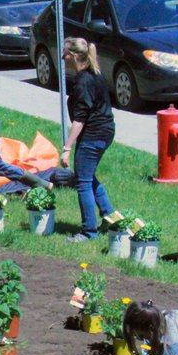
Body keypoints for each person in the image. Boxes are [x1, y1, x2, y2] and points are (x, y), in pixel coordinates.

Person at [60, 37, 117, 242]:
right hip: (106, 131)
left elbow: (80, 118)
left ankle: (88, 232)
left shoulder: (83, 81)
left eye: (65, 54)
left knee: (82, 182)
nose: (62, 57)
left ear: (74, 56)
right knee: (88, 176)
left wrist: (67, 147)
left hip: (93, 135)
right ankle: (110, 217)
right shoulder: (95, 73)